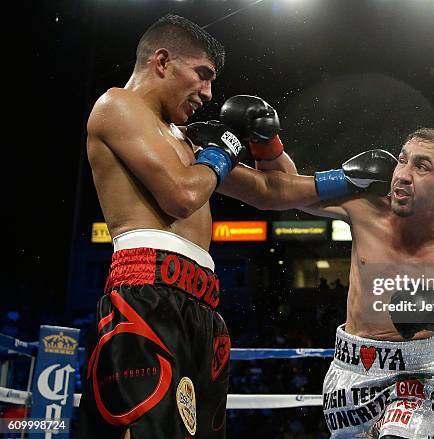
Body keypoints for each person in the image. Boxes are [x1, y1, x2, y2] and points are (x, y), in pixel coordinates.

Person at [77, 13, 363, 439]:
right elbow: (181, 195)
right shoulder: (117, 105)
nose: (208, 94)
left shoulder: (188, 139)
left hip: (201, 306)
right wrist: (224, 150)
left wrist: (349, 178)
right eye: (202, 75)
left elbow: (271, 191)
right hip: (146, 296)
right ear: (162, 61)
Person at [290, 128, 434, 438]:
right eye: (402, 160)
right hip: (347, 373)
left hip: (415, 379)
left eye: (421, 166)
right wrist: (268, 146)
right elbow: (280, 191)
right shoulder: (367, 207)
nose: (403, 175)